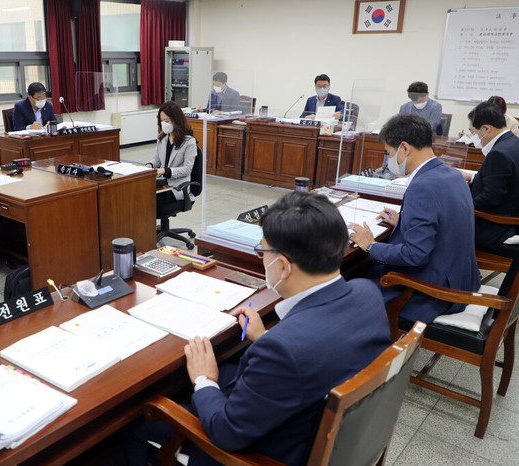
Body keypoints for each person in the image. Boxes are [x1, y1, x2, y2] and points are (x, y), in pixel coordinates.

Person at [125, 191, 391, 466]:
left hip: (261, 452)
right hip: (318, 425)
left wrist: (204, 380)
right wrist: (265, 337)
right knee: (227, 368)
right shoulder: (367, 294)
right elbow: (317, 349)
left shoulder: (283, 350)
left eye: (262, 252)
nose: (262, 259)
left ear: (283, 267)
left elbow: (226, 432)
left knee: (138, 421)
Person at [350, 114, 480, 323]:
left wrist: (371, 245)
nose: (388, 160)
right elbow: (445, 222)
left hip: (432, 293)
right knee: (364, 271)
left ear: (404, 148)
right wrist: (404, 221)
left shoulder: (423, 186)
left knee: (349, 285)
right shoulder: (453, 175)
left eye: (389, 153)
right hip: (461, 279)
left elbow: (415, 255)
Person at [461, 101, 519, 255]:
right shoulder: (513, 143)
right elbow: (503, 182)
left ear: (486, 129)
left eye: (472, 132)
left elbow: (491, 198)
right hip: (510, 217)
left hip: (497, 227)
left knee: (443, 228)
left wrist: (461, 206)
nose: (473, 137)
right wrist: (474, 178)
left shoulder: (499, 153)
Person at [145, 101, 198, 216]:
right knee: (141, 198)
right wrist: (150, 165)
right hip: (161, 184)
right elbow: (157, 160)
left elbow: (187, 169)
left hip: (177, 188)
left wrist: (165, 171)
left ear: (176, 120)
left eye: (167, 121)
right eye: (162, 121)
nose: (164, 124)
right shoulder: (162, 138)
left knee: (149, 205)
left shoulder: (189, 142)